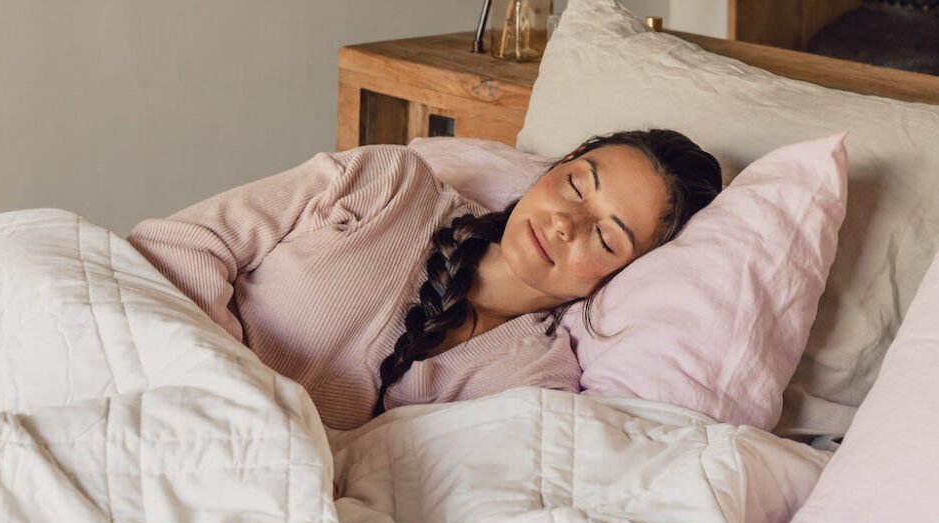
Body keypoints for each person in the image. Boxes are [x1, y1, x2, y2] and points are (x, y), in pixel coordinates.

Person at [128, 129, 723, 430]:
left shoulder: (531, 382)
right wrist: (221, 389)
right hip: (147, 377)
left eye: (606, 238)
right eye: (575, 184)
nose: (567, 223)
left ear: (626, 276)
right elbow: (179, 247)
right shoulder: (389, 183)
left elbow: (408, 495)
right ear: (556, 168)